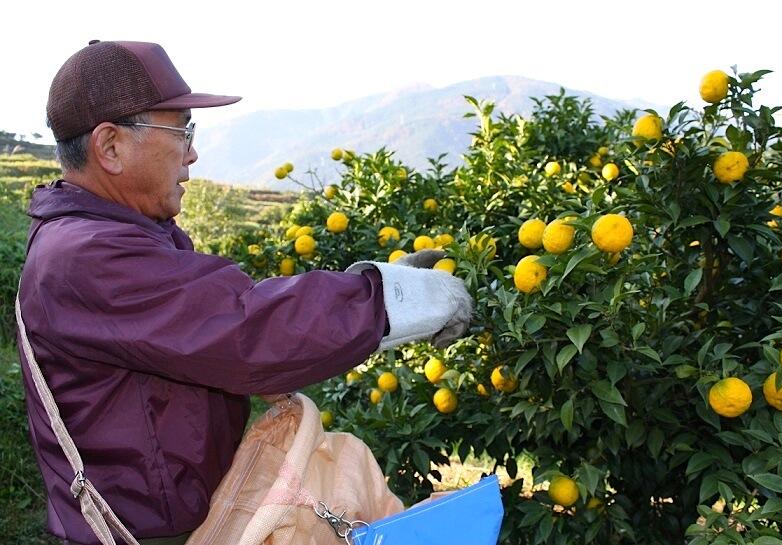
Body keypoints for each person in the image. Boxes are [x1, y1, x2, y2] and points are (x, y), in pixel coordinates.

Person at [17, 40, 472, 545]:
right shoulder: (86, 256)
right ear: (110, 147)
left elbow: (219, 324)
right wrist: (392, 299)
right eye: (181, 130)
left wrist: (375, 299)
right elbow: (248, 327)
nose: (191, 152)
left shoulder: (122, 234)